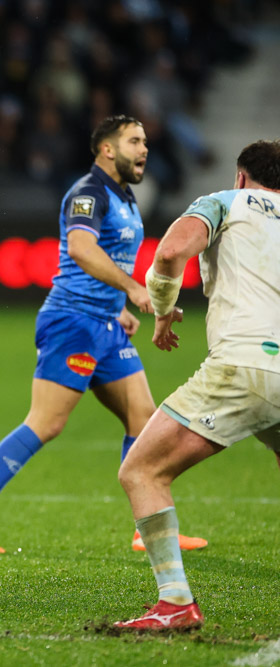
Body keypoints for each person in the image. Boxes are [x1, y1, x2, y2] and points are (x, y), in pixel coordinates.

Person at [0, 116, 206, 554]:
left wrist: (118, 308)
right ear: (107, 149)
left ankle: (148, 528)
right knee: (47, 422)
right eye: (134, 141)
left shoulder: (124, 195)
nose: (144, 149)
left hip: (106, 323)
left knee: (143, 421)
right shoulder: (89, 192)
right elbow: (82, 250)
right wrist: (132, 289)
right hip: (73, 322)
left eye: (145, 141)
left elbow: (104, 257)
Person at [114, 140, 280, 631]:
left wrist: (163, 313)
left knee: (141, 472)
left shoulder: (226, 202)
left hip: (245, 365)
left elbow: (169, 252)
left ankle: (175, 603)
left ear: (242, 176)